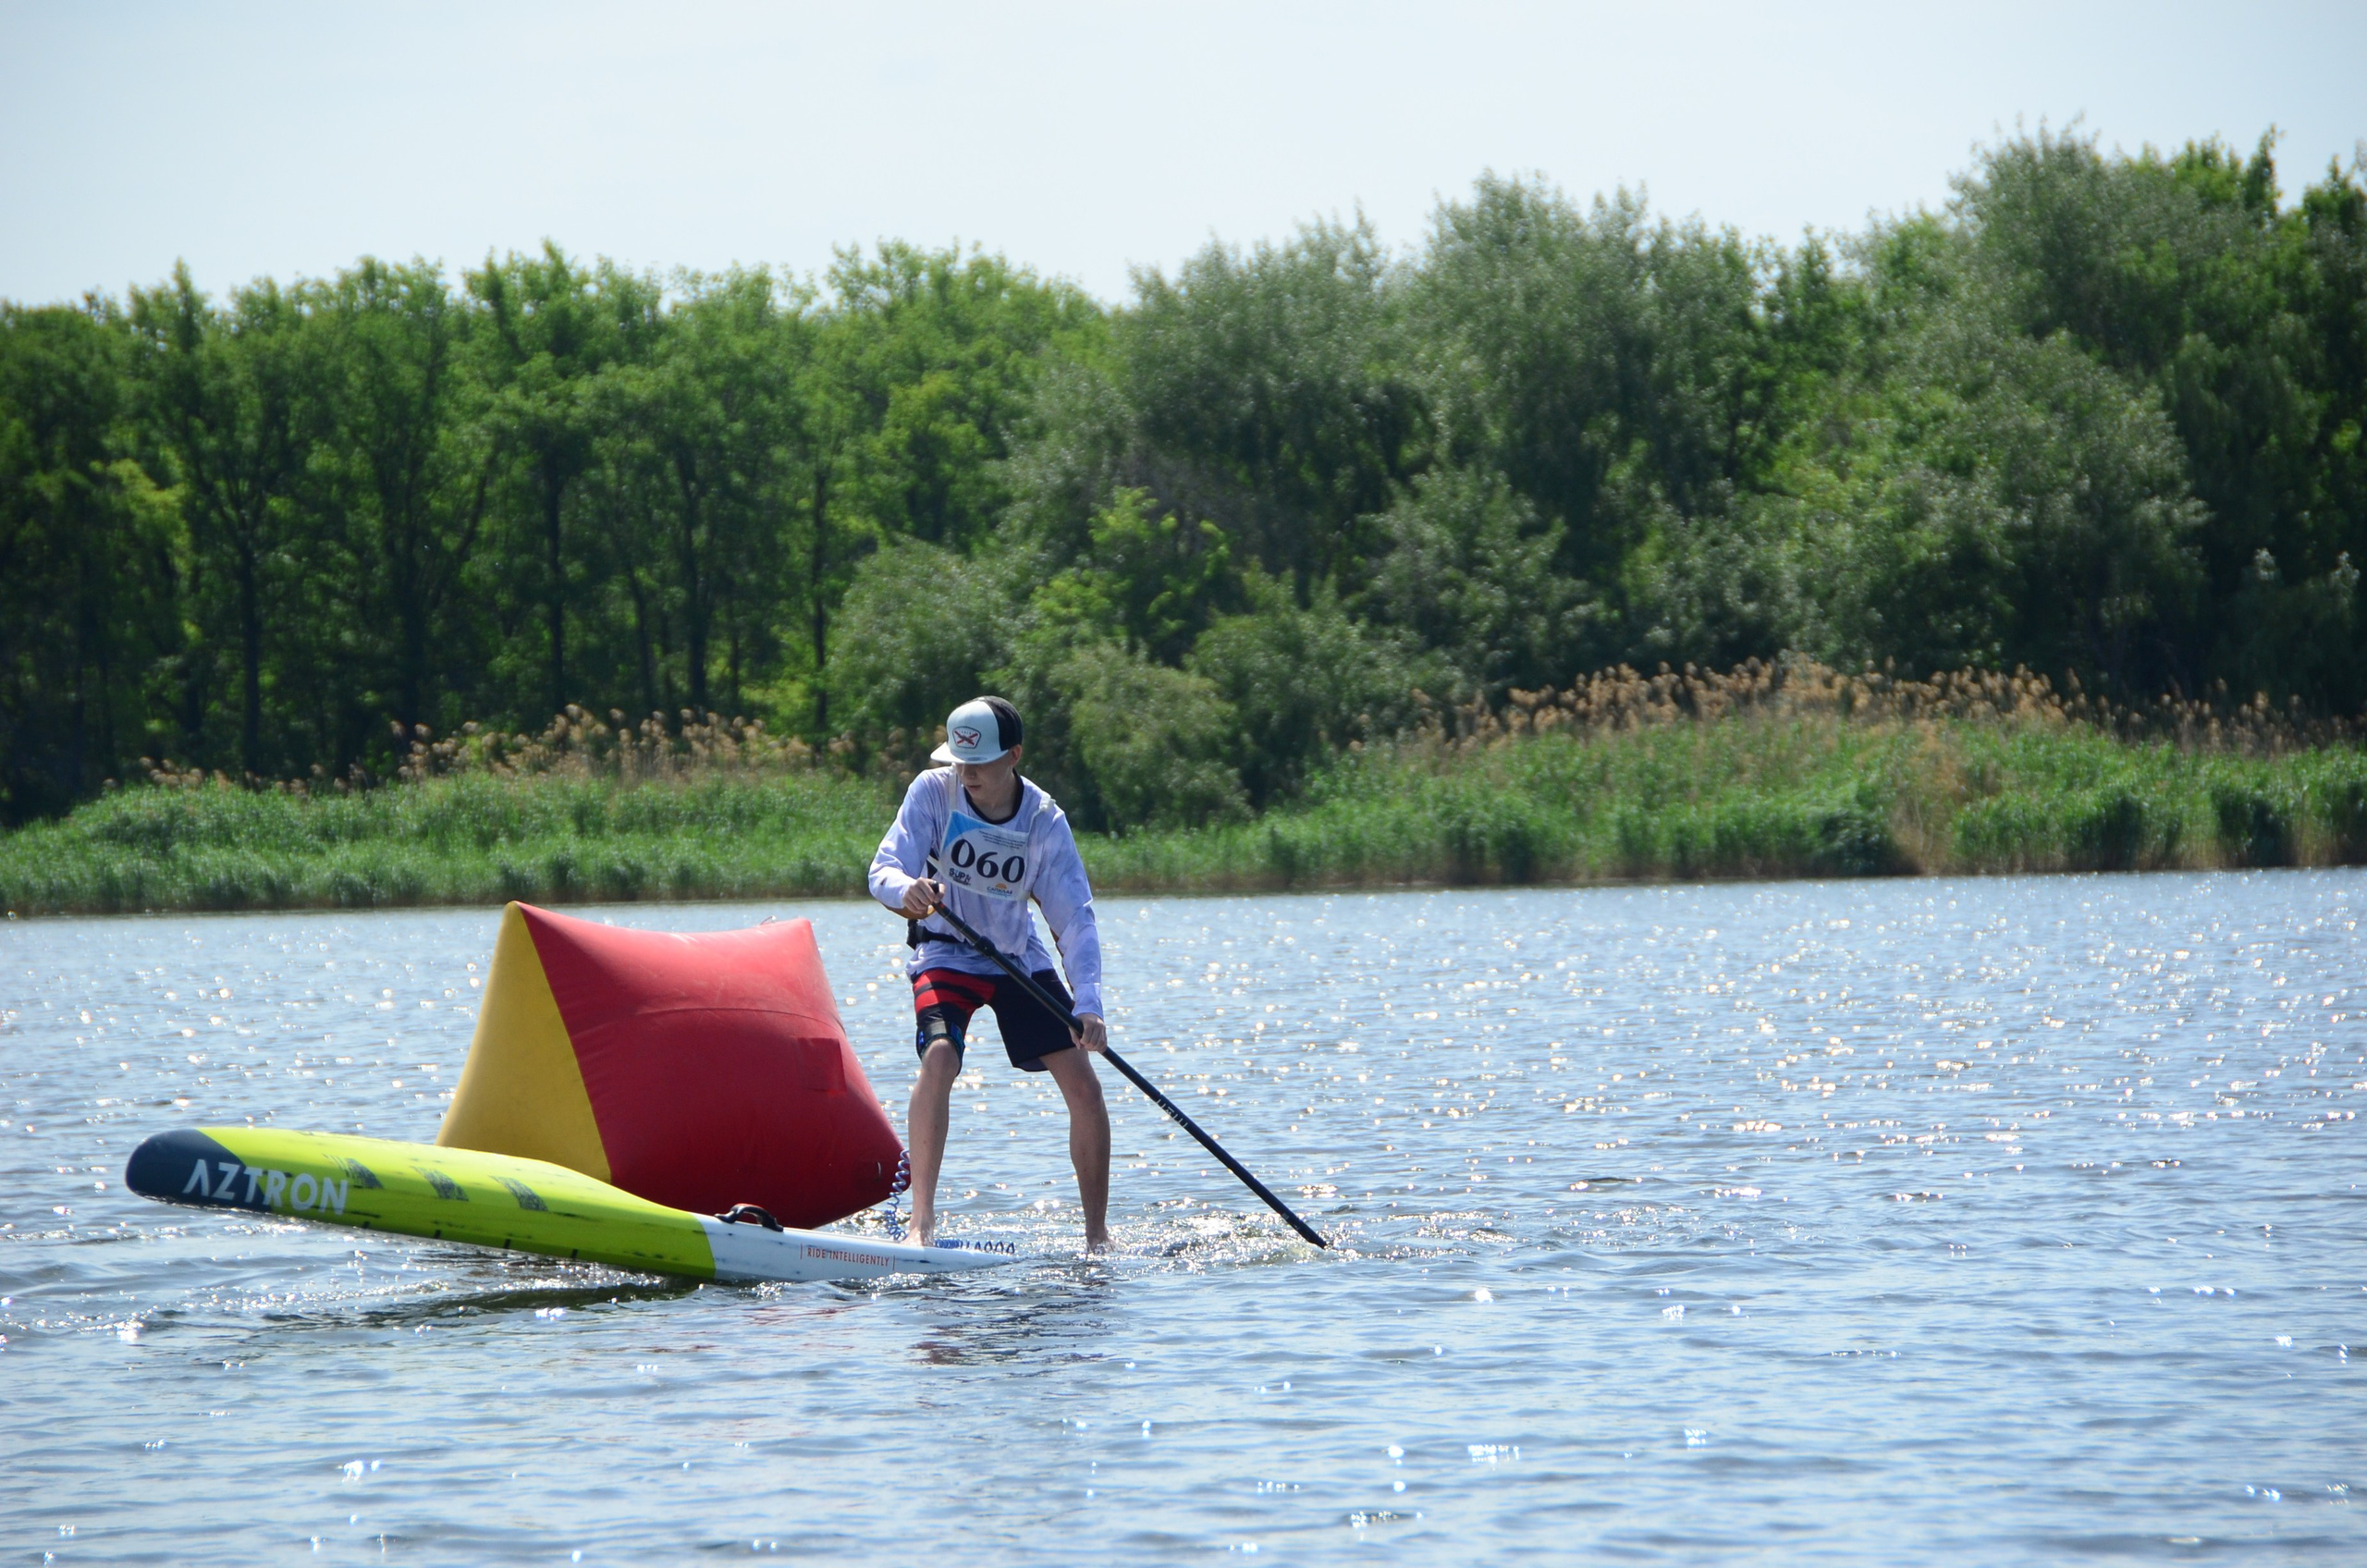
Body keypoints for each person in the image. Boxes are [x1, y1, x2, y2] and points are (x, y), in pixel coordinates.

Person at [868, 696, 1110, 1251]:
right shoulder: (933, 792)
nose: (966, 772)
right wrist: (907, 891)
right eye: (958, 760)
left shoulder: (1044, 821)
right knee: (940, 1057)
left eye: (978, 762)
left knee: (1084, 1085)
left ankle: (1097, 1240)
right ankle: (921, 1224)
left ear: (1014, 756)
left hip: (1013, 958)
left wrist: (1089, 1002)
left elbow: (1073, 918)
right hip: (946, 953)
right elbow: (884, 868)